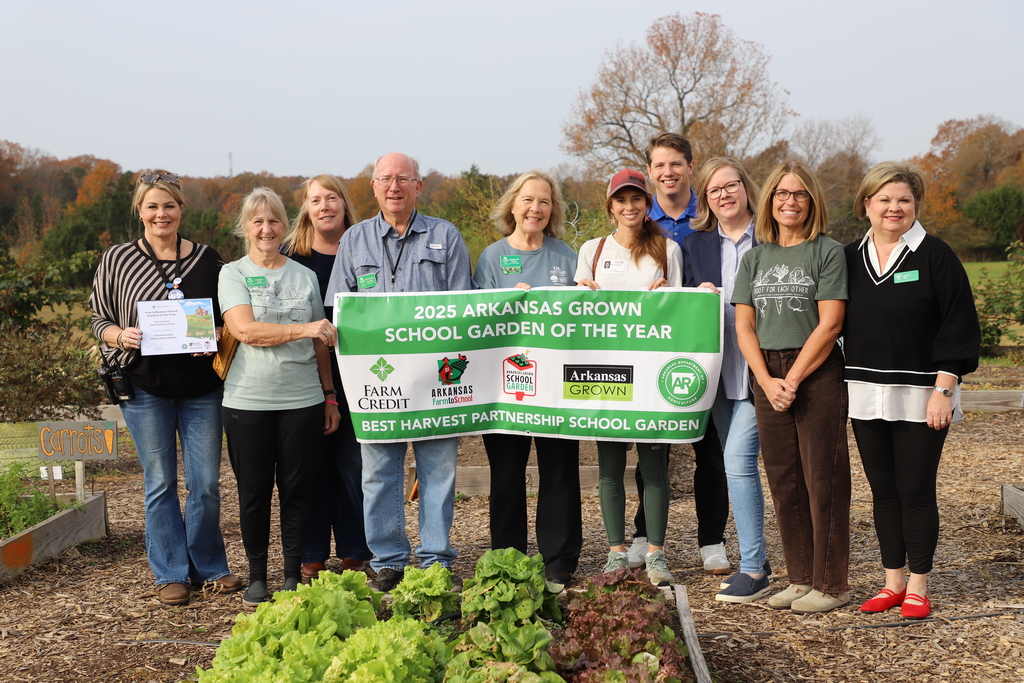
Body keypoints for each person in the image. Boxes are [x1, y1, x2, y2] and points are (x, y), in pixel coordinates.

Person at [324, 152, 473, 593]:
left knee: (438, 471)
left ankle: (435, 560)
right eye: (386, 179)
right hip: (379, 382)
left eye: (403, 179)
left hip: (436, 382)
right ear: (373, 186)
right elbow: (339, 308)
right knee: (379, 474)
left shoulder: (446, 236)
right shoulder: (354, 240)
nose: (394, 186)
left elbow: (464, 308)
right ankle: (388, 560)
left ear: (418, 186)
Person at [90, 170, 241, 606]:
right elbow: (99, 319)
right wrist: (121, 336)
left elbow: (227, 317)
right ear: (140, 210)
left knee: (206, 483)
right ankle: (170, 572)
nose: (161, 214)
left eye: (169, 206)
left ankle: (210, 566)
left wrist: (212, 335)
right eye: (152, 206)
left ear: (181, 210)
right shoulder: (117, 259)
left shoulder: (208, 259)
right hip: (145, 388)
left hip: (202, 388)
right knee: (160, 482)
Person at [845, 162, 980, 620]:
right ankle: (892, 583)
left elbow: (959, 323)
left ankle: (919, 586)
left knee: (916, 489)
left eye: (903, 199)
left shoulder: (935, 255)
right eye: (883, 199)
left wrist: (945, 387)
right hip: (864, 392)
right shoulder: (847, 258)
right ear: (866, 205)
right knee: (883, 491)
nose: (893, 207)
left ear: (915, 204)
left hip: (923, 394)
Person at [732, 160, 852, 614]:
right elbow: (744, 326)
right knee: (784, 480)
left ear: (812, 201)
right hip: (767, 372)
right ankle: (801, 578)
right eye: (782, 193)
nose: (790, 201)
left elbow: (831, 323)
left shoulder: (827, 251)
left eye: (799, 194)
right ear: (769, 202)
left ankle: (833, 583)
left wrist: (794, 379)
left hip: (815, 370)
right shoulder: (756, 257)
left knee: (824, 477)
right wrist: (766, 380)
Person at [218, 187, 341, 606]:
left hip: (302, 400)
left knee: (297, 491)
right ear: (245, 228)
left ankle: (290, 574)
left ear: (285, 226)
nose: (266, 229)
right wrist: (302, 329)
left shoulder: (304, 276)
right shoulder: (232, 274)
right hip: (246, 402)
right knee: (253, 494)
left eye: (273, 221)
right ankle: (256, 575)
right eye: (258, 221)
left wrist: (328, 395)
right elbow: (245, 330)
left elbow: (322, 343)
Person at [473, 170, 582, 588]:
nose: (536, 208)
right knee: (506, 472)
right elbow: (478, 320)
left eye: (544, 201)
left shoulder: (565, 256)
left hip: (555, 386)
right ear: (512, 206)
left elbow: (585, 315)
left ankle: (558, 560)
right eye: (528, 200)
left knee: (558, 470)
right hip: (506, 385)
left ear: (551, 210)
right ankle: (508, 558)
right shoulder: (492, 257)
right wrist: (504, 301)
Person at [575, 168, 683, 587]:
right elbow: (576, 312)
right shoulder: (592, 249)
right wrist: (579, 289)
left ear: (647, 203)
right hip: (606, 374)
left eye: (637, 198)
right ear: (610, 206)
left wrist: (672, 293)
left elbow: (681, 313)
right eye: (621, 200)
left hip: (652, 374)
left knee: (654, 468)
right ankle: (616, 553)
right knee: (609, 468)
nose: (629, 206)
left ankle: (655, 554)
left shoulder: (667, 250)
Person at [636, 132, 730, 575]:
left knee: (711, 450)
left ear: (691, 167)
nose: (668, 172)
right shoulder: (639, 220)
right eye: (659, 165)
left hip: (705, 350)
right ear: (650, 171)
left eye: (676, 164)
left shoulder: (709, 216)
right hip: (653, 352)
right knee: (650, 447)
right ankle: (642, 532)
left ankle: (711, 538)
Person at [684, 157, 773, 603]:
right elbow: (678, 309)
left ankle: (754, 569)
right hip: (718, 375)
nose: (724, 194)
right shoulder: (694, 246)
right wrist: (689, 295)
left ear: (745, 187)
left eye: (731, 185)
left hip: (764, 371)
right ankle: (761, 557)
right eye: (714, 190)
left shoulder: (772, 235)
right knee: (731, 462)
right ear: (705, 199)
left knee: (738, 460)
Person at [281, 175, 372, 580]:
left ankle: (356, 549)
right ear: (306, 208)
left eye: (331, 197)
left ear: (344, 203)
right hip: (303, 373)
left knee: (353, 465)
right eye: (315, 199)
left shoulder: (366, 248)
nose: (324, 206)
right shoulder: (289, 256)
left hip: (362, 371)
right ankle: (312, 551)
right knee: (311, 466)